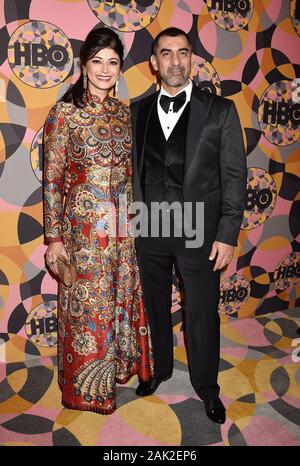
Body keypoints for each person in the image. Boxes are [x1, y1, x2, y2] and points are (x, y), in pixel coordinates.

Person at [130, 27, 247, 424]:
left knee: (201, 313)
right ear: (154, 62)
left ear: (192, 59)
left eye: (183, 53)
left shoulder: (221, 110)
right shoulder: (137, 110)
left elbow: (235, 176)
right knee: (155, 308)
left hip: (200, 229)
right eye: (167, 53)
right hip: (149, 228)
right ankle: (160, 369)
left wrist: (227, 234)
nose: (175, 61)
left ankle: (207, 388)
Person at [43, 27, 153, 415]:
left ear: (120, 68)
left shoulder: (126, 115)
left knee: (116, 305)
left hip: (122, 232)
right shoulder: (64, 113)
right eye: (97, 61)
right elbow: (53, 180)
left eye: (112, 62)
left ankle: (117, 374)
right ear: (83, 65)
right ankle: (85, 391)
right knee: (85, 310)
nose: (105, 70)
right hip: (82, 235)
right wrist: (55, 239)